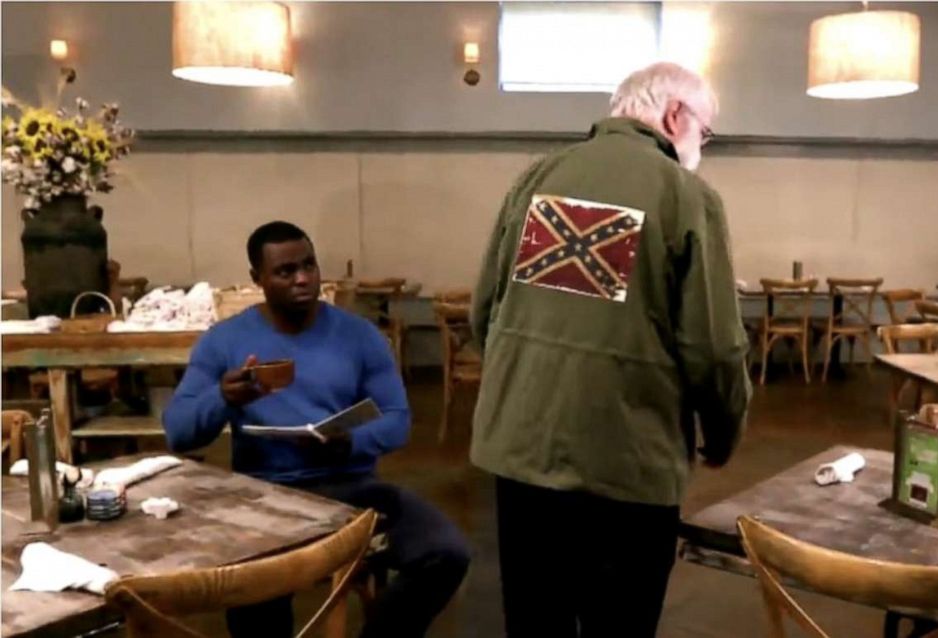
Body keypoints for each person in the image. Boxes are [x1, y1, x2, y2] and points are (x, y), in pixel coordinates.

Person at [470, 62, 752, 638]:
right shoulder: (685, 195)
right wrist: (722, 434)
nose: (702, 145)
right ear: (676, 116)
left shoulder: (536, 177)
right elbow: (714, 349)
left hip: (521, 454)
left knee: (535, 622)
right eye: (705, 131)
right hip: (627, 464)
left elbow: (484, 315)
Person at [163, 221, 470, 638]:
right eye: (286, 271)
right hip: (262, 495)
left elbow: (397, 417)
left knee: (445, 553)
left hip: (351, 488)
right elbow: (178, 432)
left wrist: (352, 442)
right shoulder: (224, 341)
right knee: (253, 589)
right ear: (258, 279)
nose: (303, 278)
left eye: (309, 265)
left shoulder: (359, 335)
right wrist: (224, 398)